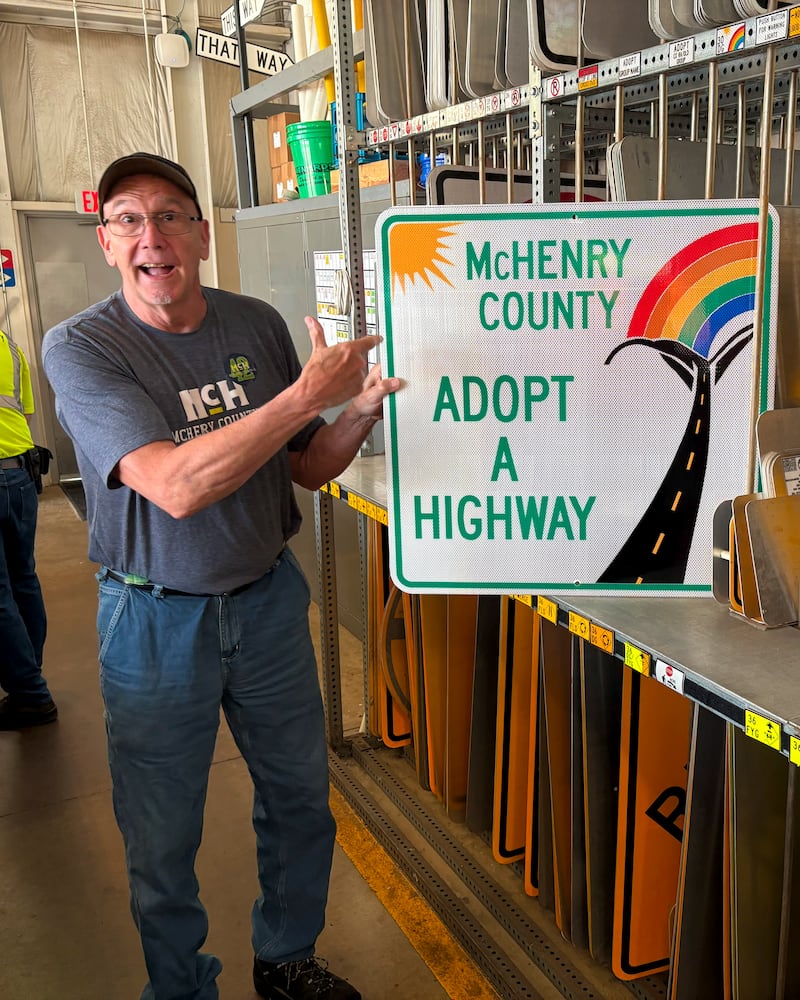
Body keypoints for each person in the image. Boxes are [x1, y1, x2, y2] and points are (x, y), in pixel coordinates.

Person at [42, 152, 399, 1000]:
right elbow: (174, 486)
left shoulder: (254, 327)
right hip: (154, 623)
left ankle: (287, 961)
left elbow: (305, 468)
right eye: (128, 218)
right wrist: (297, 396)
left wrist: (354, 411)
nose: (151, 237)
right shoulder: (83, 348)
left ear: (201, 234)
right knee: (162, 837)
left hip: (268, 603)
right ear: (106, 242)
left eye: (170, 216)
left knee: (300, 800)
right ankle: (181, 989)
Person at [0, 327, 57, 729]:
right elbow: (26, 413)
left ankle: (30, 694)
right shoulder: (11, 348)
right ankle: (28, 670)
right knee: (23, 578)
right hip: (19, 474)